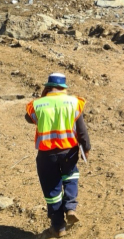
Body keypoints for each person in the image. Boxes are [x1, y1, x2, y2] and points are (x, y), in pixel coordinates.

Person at [25, 73, 91, 238]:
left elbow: (28, 118)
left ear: (48, 87)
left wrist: (42, 96)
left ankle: (58, 227)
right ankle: (70, 207)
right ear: (64, 87)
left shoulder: (38, 104)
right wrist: (86, 147)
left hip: (46, 155)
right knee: (70, 176)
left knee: (52, 189)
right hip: (69, 151)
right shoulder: (73, 102)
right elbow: (81, 129)